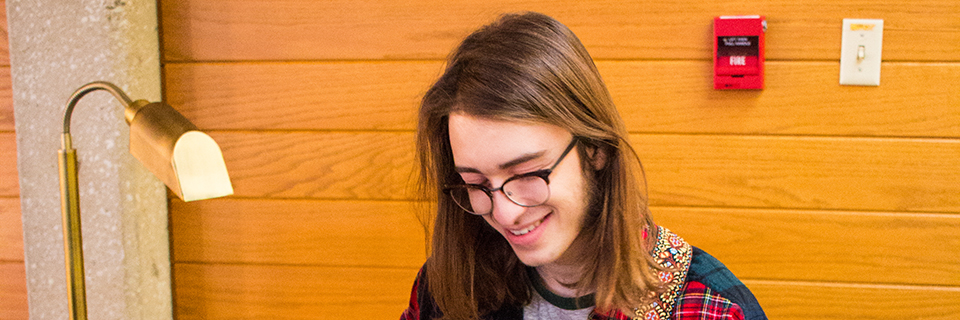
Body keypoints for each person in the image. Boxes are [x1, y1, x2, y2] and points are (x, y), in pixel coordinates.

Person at [401, 12, 765, 320]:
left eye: (527, 174)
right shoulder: (448, 285)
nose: (505, 213)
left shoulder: (708, 308)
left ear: (595, 149)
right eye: (476, 183)